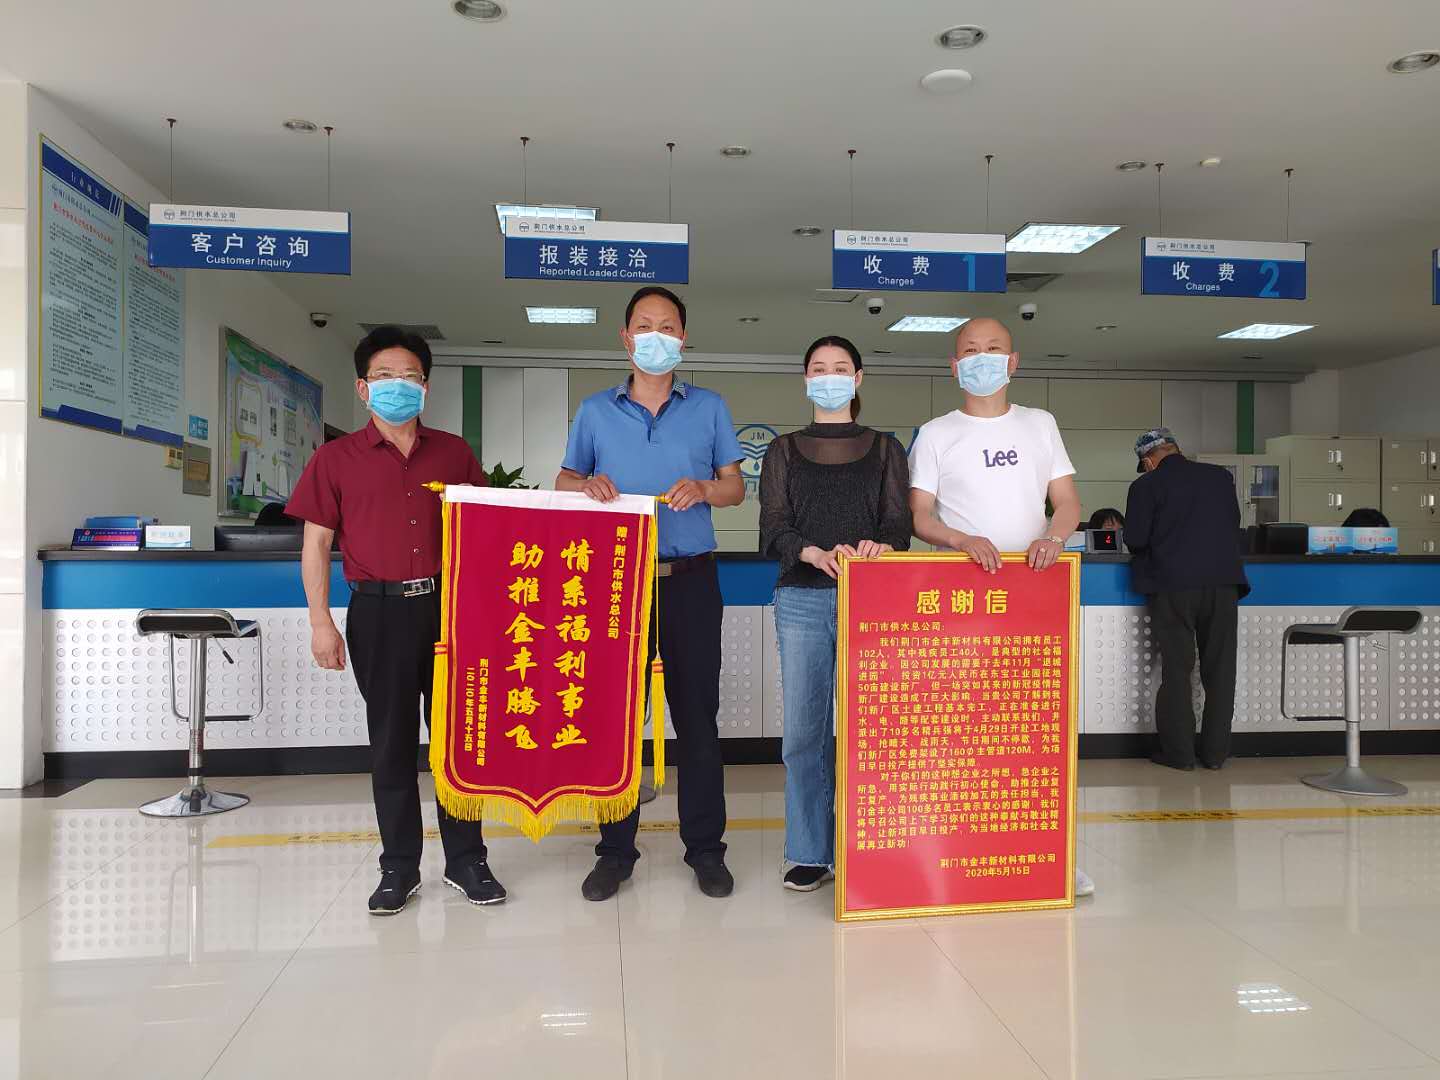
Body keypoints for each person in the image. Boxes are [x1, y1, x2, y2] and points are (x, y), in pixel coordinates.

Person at [286, 326, 505, 915]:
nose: (398, 386)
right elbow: (316, 544)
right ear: (363, 388)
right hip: (377, 611)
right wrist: (320, 622)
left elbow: (488, 531)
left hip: (448, 613)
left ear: (425, 387)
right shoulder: (335, 459)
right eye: (384, 376)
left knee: (457, 741)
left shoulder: (453, 454)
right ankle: (399, 867)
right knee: (390, 743)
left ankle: (467, 860)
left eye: (409, 376)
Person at [556, 286, 745, 901]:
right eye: (644, 325)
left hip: (692, 580)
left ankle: (706, 850)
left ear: (683, 339)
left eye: (667, 326)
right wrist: (586, 486)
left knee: (697, 718)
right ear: (625, 337)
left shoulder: (709, 407)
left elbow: (735, 487)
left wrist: (705, 488)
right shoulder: (595, 410)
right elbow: (564, 478)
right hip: (617, 583)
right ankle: (614, 852)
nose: (655, 336)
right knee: (615, 720)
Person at [908, 316, 1095, 898]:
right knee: (961, 727)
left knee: (1037, 730)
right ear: (954, 365)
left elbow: (1067, 502)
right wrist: (962, 539)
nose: (982, 357)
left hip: (1033, 593)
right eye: (970, 350)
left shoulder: (1040, 424)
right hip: (961, 596)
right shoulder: (936, 433)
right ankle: (956, 848)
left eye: (993, 349)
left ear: (1013, 362)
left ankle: (1050, 854)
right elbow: (919, 516)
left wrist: (1054, 538)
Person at [759, 336, 912, 892]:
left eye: (840, 367)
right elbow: (772, 528)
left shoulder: (887, 449)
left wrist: (879, 546)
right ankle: (809, 851)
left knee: (875, 731)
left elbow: (899, 526)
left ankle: (875, 844)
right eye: (819, 368)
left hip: (872, 602)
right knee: (805, 734)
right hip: (801, 598)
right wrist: (812, 552)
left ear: (858, 378)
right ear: (806, 380)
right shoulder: (783, 451)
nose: (829, 376)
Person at [1124, 428, 1250, 771]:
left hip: (1173, 586)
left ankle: (1179, 754)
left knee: (1177, 670)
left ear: (1149, 460)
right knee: (1221, 670)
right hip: (1223, 583)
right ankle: (1215, 754)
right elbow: (1233, 524)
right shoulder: (1219, 478)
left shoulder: (1146, 486)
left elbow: (1136, 539)